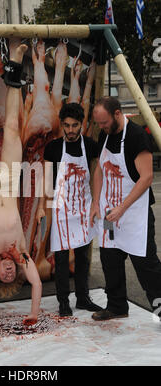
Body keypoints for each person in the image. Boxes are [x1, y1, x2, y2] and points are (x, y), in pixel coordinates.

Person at [0, 44, 42, 337]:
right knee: (13, 128)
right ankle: (14, 65)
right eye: (12, 274)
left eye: (5, 275)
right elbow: (37, 284)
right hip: (11, 181)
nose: (10, 272)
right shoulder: (22, 253)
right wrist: (34, 314)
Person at [90, 96, 161, 321]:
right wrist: (95, 202)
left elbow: (147, 176)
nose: (101, 127)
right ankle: (117, 306)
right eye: (98, 123)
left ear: (118, 114)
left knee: (145, 263)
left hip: (134, 214)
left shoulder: (136, 136)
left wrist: (122, 208)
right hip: (111, 213)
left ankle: (160, 307)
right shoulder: (105, 135)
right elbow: (100, 170)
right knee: (110, 259)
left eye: (104, 122)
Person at [37, 102, 102, 316]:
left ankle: (83, 298)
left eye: (75, 125)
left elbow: (97, 174)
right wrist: (40, 208)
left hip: (83, 208)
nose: (71, 130)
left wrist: (97, 204)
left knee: (83, 258)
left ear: (81, 125)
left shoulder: (91, 146)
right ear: (61, 125)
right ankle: (63, 302)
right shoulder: (53, 148)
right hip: (61, 210)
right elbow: (46, 183)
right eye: (67, 126)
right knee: (62, 259)